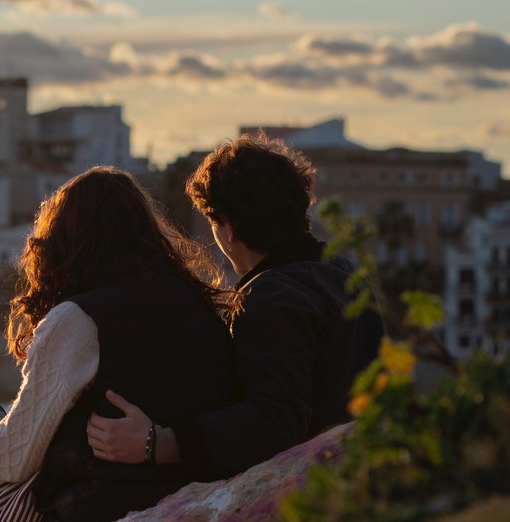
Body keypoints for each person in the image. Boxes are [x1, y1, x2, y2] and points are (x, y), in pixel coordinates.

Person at [86, 133, 382, 480]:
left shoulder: (271, 295)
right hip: (369, 467)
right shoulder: (345, 275)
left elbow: (274, 419)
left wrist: (158, 443)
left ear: (227, 229)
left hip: (317, 484)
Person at [0, 167, 238, 522]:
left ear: (63, 241)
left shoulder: (77, 319)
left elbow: (12, 460)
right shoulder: (202, 305)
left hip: (101, 515)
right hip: (196, 498)